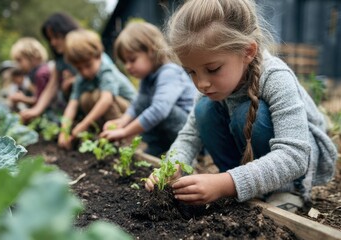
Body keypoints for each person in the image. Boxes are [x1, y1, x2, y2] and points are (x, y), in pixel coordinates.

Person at [144, 0, 337, 208]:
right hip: (247, 167)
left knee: (246, 113)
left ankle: (288, 191)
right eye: (191, 71)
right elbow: (189, 136)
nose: (201, 84)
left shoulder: (275, 76)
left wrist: (225, 182)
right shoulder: (210, 87)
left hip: (299, 163)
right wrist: (170, 167)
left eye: (213, 69)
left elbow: (295, 156)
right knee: (204, 110)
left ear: (248, 52)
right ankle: (241, 186)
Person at [100, 22, 197, 157]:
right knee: (144, 103)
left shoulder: (169, 72)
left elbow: (160, 110)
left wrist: (125, 132)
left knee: (156, 108)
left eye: (132, 60)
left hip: (188, 131)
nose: (127, 66)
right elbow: (136, 105)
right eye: (125, 62)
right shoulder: (147, 78)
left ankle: (186, 153)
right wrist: (121, 122)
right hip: (168, 131)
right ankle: (159, 146)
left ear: (152, 51)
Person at [58, 29, 137, 149]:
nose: (84, 72)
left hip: (131, 112)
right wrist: (64, 131)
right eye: (79, 68)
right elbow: (72, 105)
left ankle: (123, 141)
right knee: (84, 99)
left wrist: (83, 124)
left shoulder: (106, 71)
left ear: (98, 56)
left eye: (88, 65)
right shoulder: (81, 79)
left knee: (98, 97)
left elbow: (106, 100)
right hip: (116, 109)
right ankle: (103, 137)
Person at [19, 12, 80, 122]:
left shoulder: (84, 54)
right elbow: (52, 86)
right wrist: (36, 110)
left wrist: (73, 81)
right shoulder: (61, 60)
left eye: (56, 37)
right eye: (50, 39)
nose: (53, 43)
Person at [10, 37, 50, 112]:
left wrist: (22, 99)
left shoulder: (41, 74)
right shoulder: (32, 74)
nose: (18, 65)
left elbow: (41, 101)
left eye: (19, 60)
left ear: (32, 57)